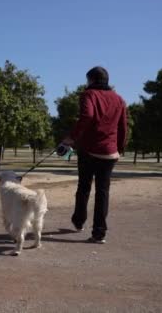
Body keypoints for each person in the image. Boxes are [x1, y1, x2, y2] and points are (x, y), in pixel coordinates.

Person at [61, 66, 127, 244]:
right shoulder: (119, 99)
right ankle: (99, 233)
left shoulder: (88, 94)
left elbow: (87, 116)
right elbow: (123, 127)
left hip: (90, 149)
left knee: (84, 187)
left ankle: (79, 221)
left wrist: (71, 138)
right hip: (110, 152)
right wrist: (119, 148)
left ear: (91, 80)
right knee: (102, 192)